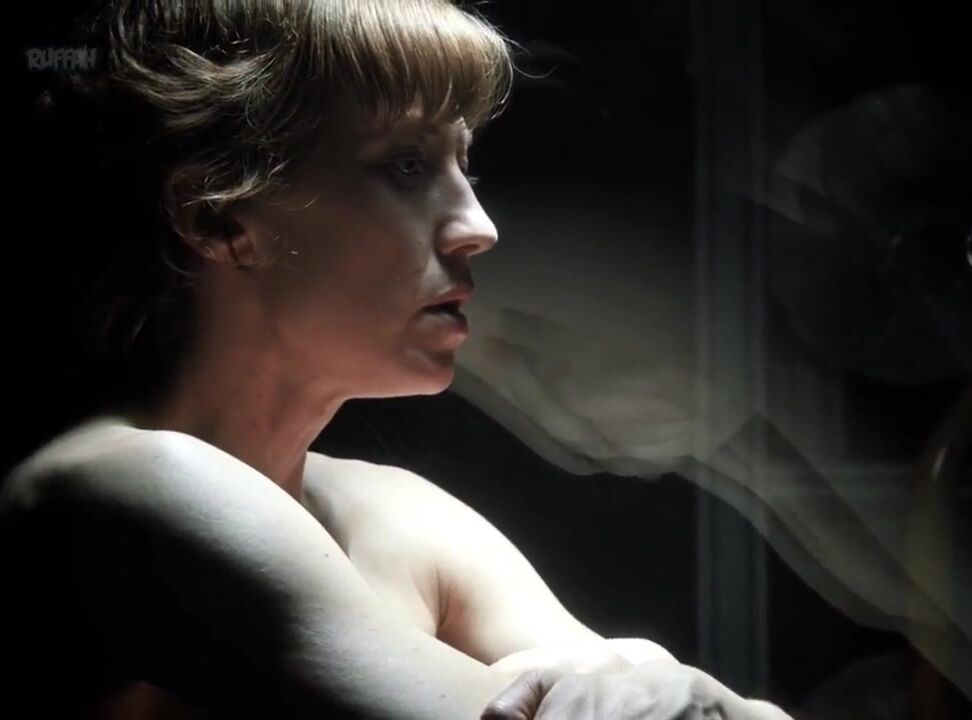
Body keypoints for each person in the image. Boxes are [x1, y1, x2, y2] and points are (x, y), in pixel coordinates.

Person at [1, 1, 794, 718]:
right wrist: (664, 686)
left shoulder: (399, 515)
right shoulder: (121, 490)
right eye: (407, 166)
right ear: (218, 216)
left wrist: (646, 680)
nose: (479, 225)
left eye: (464, 165)